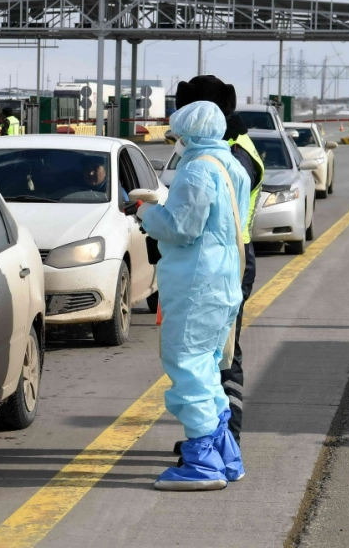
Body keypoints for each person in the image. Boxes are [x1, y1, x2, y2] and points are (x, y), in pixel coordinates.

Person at [137, 100, 250, 491]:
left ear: (188, 133)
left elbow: (182, 228)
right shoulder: (231, 166)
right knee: (206, 367)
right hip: (223, 280)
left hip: (196, 281)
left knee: (186, 363)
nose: (176, 141)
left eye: (178, 134)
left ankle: (202, 461)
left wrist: (148, 212)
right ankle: (225, 454)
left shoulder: (198, 170)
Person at [173, 76, 265, 447]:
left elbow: (197, 215)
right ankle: (216, 436)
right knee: (210, 351)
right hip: (219, 257)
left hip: (227, 259)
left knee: (221, 352)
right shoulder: (219, 147)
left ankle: (225, 437)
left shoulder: (230, 153)